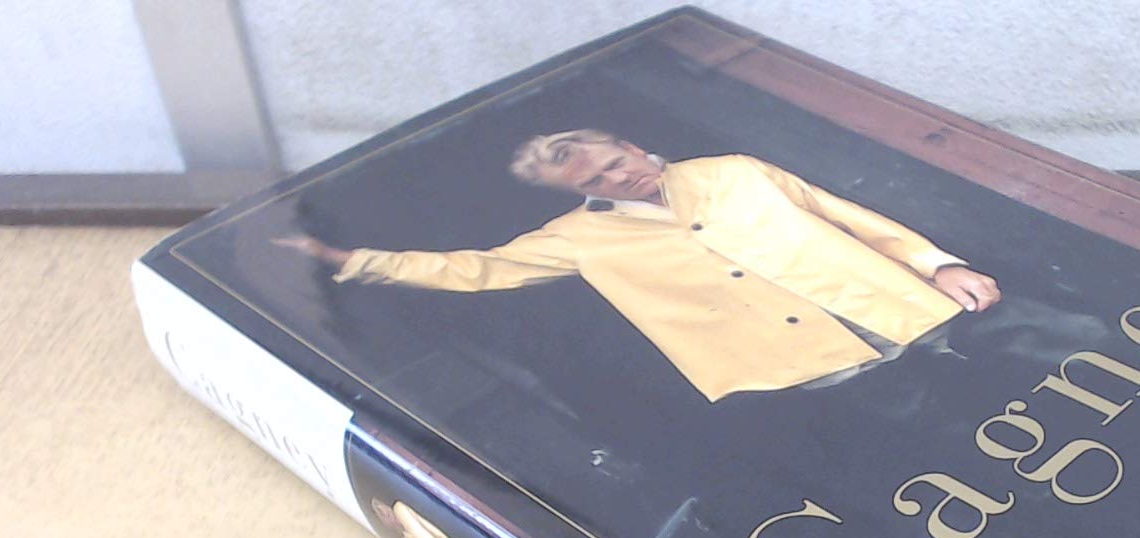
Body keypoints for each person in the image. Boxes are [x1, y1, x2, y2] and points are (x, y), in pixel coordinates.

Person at [273, 129, 1003, 402]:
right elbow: (476, 269)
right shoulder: (576, 238)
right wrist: (349, 260)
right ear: (576, 192)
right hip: (804, 372)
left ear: (629, 145)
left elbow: (849, 216)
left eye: (617, 162)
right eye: (598, 181)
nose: (620, 179)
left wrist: (938, 266)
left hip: (911, 310)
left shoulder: (732, 169)